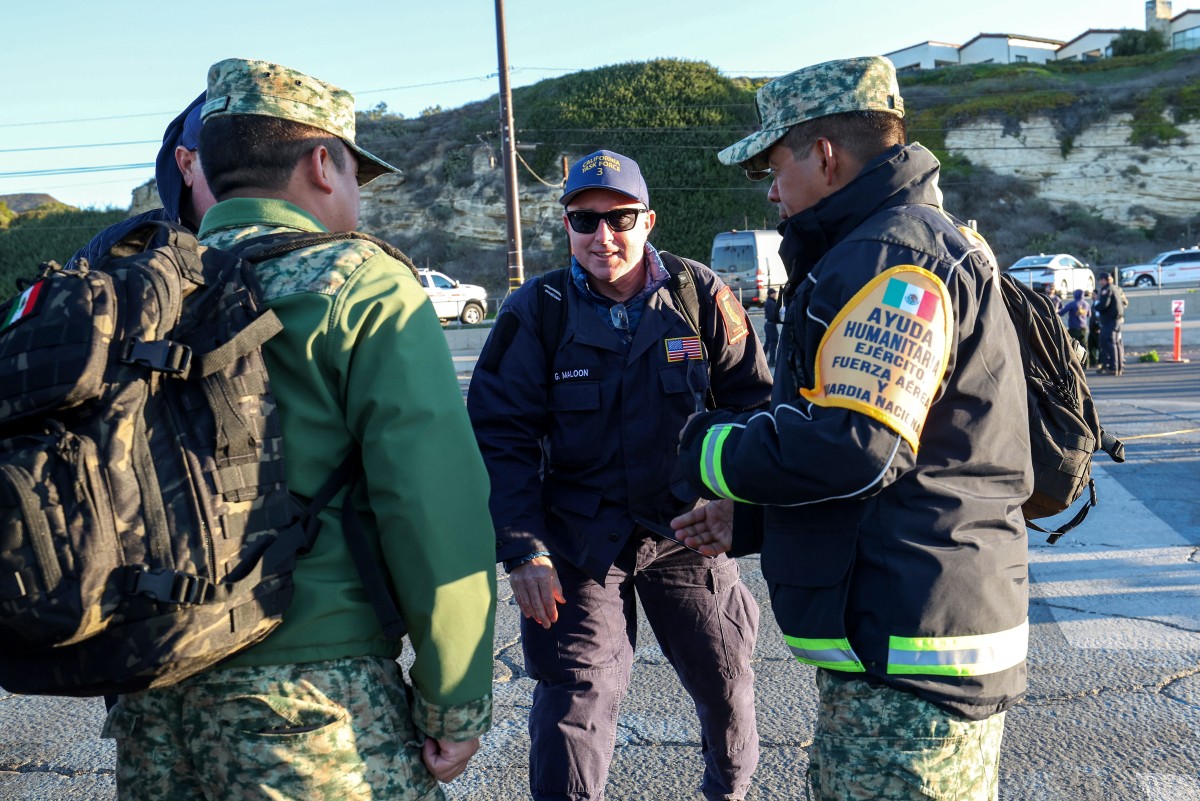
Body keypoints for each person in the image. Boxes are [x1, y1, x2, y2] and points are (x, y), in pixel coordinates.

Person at [100, 58, 497, 801]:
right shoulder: (360, 282)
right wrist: (455, 696)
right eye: (355, 176)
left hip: (148, 695)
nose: (355, 200)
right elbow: (433, 503)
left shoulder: (133, 292)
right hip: (310, 698)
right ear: (322, 163)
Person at [670, 56, 1032, 801]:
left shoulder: (889, 257)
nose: (771, 189)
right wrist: (753, 516)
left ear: (825, 156)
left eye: (775, 163)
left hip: (913, 667)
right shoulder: (893, 244)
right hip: (908, 646)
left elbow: (855, 448)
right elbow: (897, 456)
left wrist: (703, 445)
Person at [467, 149, 770, 801]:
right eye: (585, 219)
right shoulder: (536, 311)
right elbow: (500, 434)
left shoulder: (700, 295)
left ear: (649, 219)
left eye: (621, 217)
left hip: (689, 533)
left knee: (725, 682)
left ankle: (729, 791)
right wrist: (524, 547)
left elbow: (754, 406)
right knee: (576, 696)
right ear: (567, 224)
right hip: (579, 544)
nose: (604, 235)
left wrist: (732, 505)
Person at [69, 91, 216, 267]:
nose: (252, 175)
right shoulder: (112, 251)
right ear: (186, 164)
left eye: (259, 159)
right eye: (226, 157)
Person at [1095, 271, 1126, 376]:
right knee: (1116, 343)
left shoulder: (1107, 290)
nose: (1100, 282)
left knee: (1109, 342)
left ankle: (1113, 367)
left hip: (1109, 320)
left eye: (1101, 280)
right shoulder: (1116, 288)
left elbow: (1104, 305)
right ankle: (1118, 367)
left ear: (1104, 280)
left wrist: (1096, 306)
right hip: (1117, 320)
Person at [1059, 288, 1091, 364]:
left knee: (1073, 346)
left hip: (1074, 328)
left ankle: (1075, 363)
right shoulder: (1086, 304)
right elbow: (1089, 314)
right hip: (1083, 327)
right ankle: (1086, 363)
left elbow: (1062, 312)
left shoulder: (1072, 304)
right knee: (1084, 345)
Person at [762, 286, 781, 366]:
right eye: (774, 293)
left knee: (768, 342)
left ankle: (761, 358)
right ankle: (772, 360)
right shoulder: (770, 303)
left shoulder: (770, 302)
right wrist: (778, 319)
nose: (775, 294)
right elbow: (773, 314)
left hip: (769, 325)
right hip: (770, 325)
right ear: (770, 294)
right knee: (773, 342)